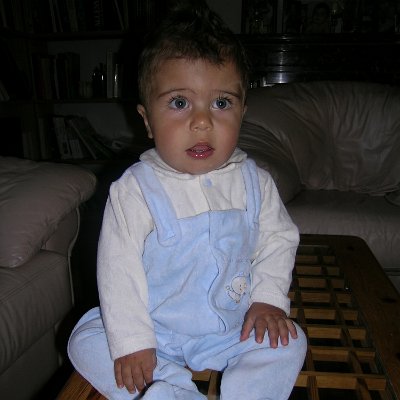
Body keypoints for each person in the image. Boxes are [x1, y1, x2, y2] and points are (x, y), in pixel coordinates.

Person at [68, 2, 307, 399]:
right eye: (179, 103)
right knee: (85, 339)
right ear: (147, 120)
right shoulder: (134, 189)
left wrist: (267, 301)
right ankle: (172, 390)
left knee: (289, 341)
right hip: (154, 333)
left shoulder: (255, 183)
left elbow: (279, 240)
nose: (202, 122)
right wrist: (133, 341)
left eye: (221, 103)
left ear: (242, 112)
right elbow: (117, 266)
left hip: (232, 329)